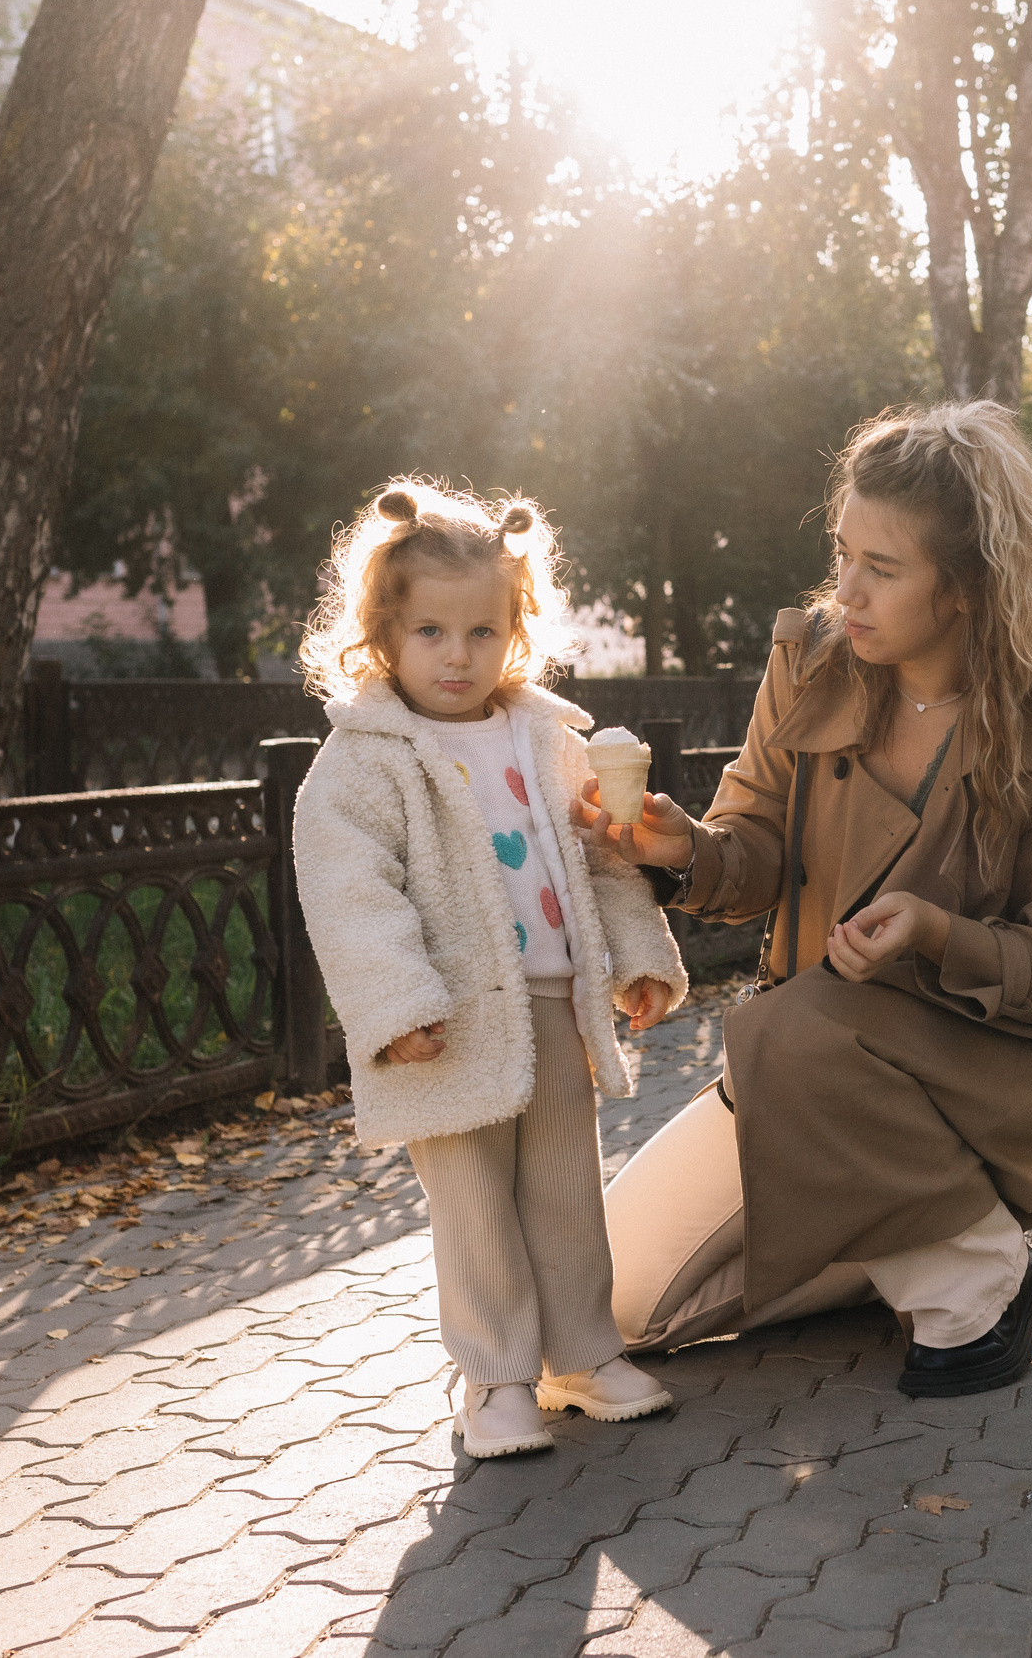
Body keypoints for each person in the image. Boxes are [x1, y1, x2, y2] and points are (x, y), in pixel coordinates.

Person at [577, 401, 1032, 1397]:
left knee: (801, 1027)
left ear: (968, 588)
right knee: (610, 1308)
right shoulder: (811, 661)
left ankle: (977, 1285)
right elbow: (754, 845)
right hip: (808, 1074)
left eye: (882, 569)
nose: (846, 589)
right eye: (842, 553)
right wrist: (687, 852)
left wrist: (935, 933)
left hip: (964, 1073)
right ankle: (903, 1237)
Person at [292, 482, 690, 1459]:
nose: (457, 655)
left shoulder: (546, 736)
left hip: (553, 1002)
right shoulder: (368, 757)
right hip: (446, 1022)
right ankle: (496, 1379)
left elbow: (603, 854)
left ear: (516, 629)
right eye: (430, 631)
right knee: (474, 1206)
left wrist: (638, 957)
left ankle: (580, 1354)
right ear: (384, 632)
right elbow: (350, 891)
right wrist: (395, 1008)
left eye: (482, 631)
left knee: (564, 1189)